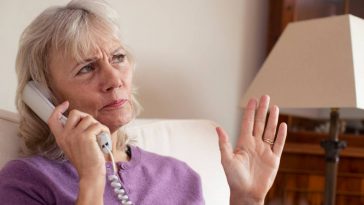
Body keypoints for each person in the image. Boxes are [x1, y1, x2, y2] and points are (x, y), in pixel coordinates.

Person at [0, 0, 287, 204]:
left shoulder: (178, 175)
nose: (114, 79)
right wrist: (91, 178)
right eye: (86, 68)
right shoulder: (25, 181)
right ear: (47, 98)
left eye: (118, 58)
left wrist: (247, 199)